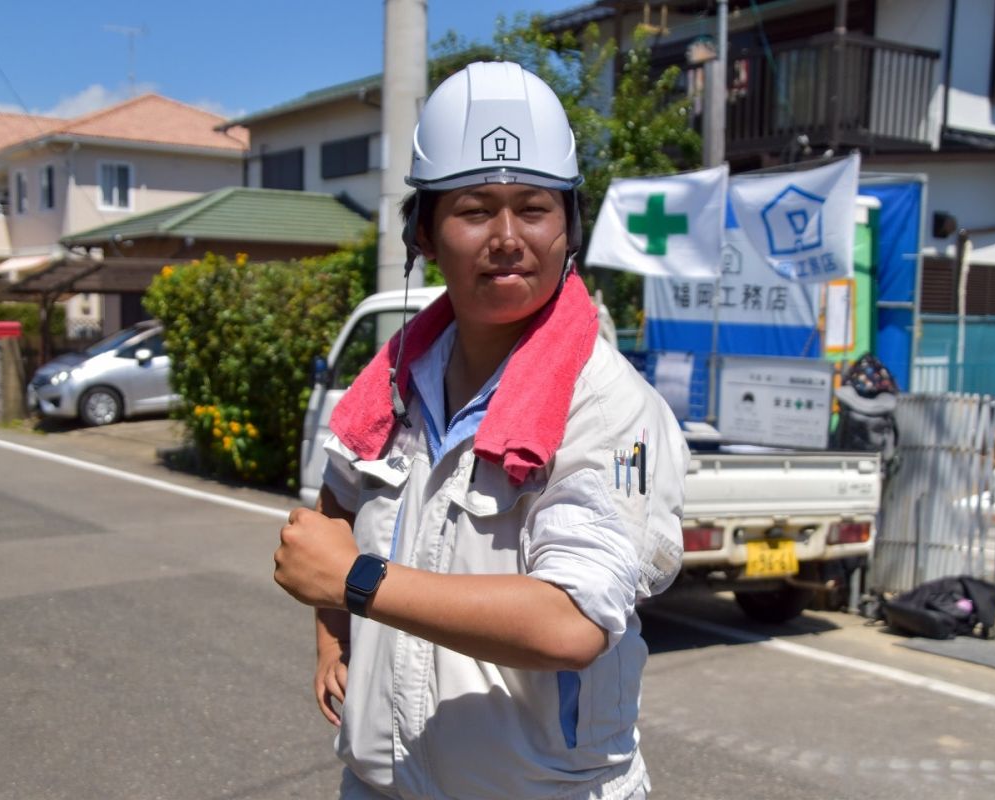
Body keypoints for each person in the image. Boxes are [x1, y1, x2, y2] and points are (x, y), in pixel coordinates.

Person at [273, 61, 689, 800]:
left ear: (569, 228)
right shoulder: (394, 381)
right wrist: (331, 629)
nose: (507, 237)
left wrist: (357, 582)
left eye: (533, 209)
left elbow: (570, 623)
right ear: (425, 234)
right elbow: (333, 510)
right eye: (474, 210)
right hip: (381, 782)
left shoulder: (607, 404)